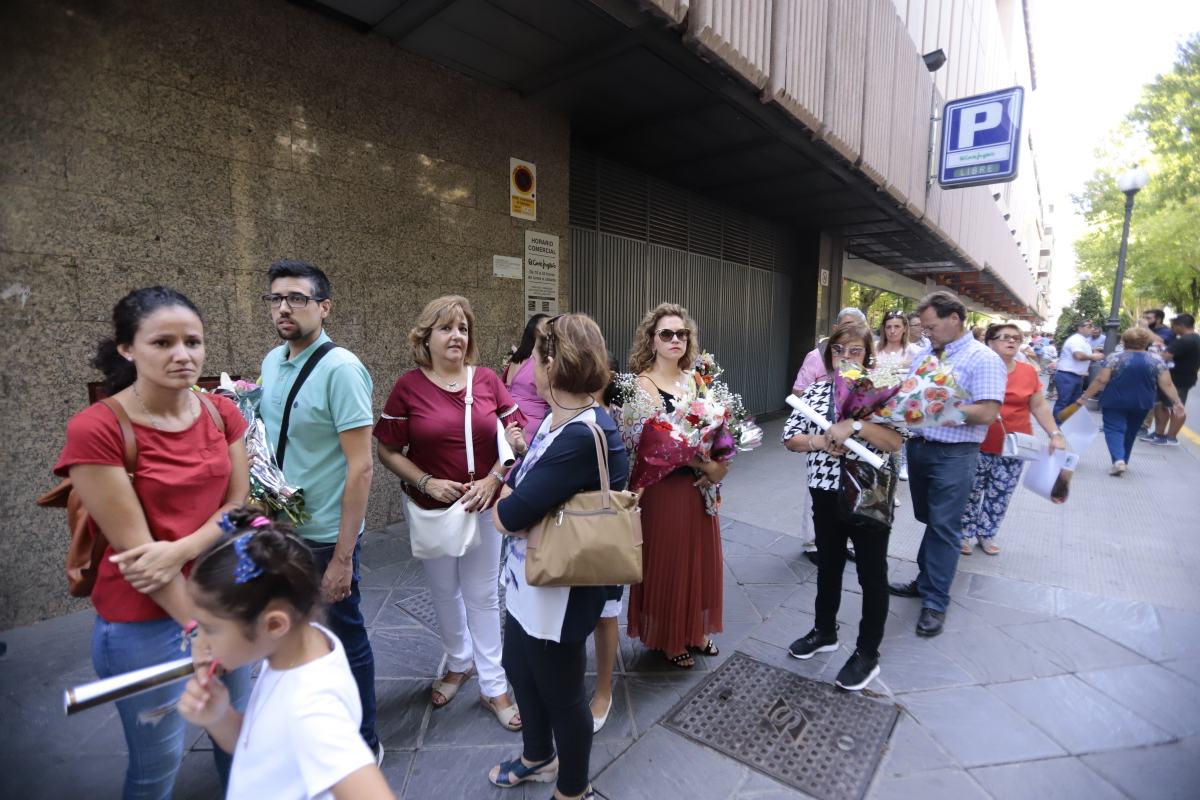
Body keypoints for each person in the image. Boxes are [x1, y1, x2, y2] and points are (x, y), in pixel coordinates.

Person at [55, 286, 251, 799]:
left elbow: (240, 506)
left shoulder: (220, 413)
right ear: (127, 348)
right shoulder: (97, 428)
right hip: (144, 619)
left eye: (193, 341)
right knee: (156, 766)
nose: (182, 355)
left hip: (222, 598)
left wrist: (183, 549)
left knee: (239, 736)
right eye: (162, 343)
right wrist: (196, 630)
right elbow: (142, 557)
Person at [486, 313, 628, 800]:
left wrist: (504, 501)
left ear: (552, 363)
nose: (527, 365)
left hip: (562, 589)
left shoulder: (581, 435)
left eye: (535, 356)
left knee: (565, 697)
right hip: (533, 577)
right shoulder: (557, 416)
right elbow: (521, 480)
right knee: (519, 665)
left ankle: (573, 788)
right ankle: (537, 756)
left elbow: (511, 514)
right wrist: (511, 491)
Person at [374, 295, 524, 730]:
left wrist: (495, 477)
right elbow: (386, 449)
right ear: (426, 337)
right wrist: (425, 481)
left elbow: (515, 436)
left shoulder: (489, 381)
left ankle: (494, 684)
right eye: (446, 328)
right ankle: (459, 663)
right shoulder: (408, 387)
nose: (456, 335)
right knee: (444, 591)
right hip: (431, 510)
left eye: (462, 328)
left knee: (481, 595)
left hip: (482, 503)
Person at [178, 508, 394, 800]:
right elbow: (263, 749)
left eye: (210, 630)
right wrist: (219, 717)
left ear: (275, 624)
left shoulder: (311, 709)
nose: (199, 643)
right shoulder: (296, 652)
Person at [256, 260, 381, 761]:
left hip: (326, 535)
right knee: (291, 634)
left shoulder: (342, 369)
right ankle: (309, 728)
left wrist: (343, 558)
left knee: (345, 639)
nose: (284, 307)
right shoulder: (270, 362)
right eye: (276, 299)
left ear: (324, 307)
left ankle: (364, 743)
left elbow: (362, 469)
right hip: (279, 526)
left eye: (298, 298)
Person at [782, 322, 904, 691]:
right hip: (824, 490)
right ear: (829, 354)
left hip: (868, 494)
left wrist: (853, 427)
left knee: (871, 574)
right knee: (829, 566)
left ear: (868, 354)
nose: (846, 357)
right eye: (839, 350)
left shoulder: (880, 391)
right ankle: (824, 631)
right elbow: (790, 439)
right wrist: (820, 441)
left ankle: (867, 653)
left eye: (854, 351)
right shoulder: (817, 390)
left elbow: (895, 441)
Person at [888, 290, 1005, 637]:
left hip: (955, 455)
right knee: (929, 520)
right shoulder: (925, 353)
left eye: (931, 326)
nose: (926, 333)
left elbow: (987, 411)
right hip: (920, 448)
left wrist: (936, 409)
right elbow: (910, 394)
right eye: (922, 327)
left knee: (944, 526)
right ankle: (925, 581)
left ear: (955, 318)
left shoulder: (982, 359)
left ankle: (935, 601)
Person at [626, 303, 726, 668]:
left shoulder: (696, 379)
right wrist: (705, 463)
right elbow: (652, 445)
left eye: (681, 333)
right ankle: (669, 636)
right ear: (651, 340)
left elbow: (718, 429)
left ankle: (696, 630)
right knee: (670, 562)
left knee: (700, 560)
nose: (675, 340)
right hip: (664, 488)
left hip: (699, 488)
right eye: (666, 333)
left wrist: (721, 464)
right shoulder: (642, 384)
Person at [960, 324, 1065, 555]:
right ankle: (964, 533)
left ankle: (986, 534)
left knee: (1001, 492)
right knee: (971, 489)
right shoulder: (977, 368)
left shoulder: (1027, 371)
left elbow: (1038, 405)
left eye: (1016, 338)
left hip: (1015, 446)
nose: (1012, 342)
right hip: (977, 441)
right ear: (990, 342)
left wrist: (1055, 434)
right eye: (1005, 337)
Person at [1076, 327, 1186, 475]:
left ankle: (1118, 460)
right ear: (1145, 342)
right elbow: (1166, 384)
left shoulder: (1114, 358)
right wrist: (1177, 403)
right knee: (1131, 432)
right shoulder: (1156, 360)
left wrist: (1084, 397)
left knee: (1114, 429)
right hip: (1142, 402)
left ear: (1124, 341)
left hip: (1114, 400)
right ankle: (1123, 461)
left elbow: (1101, 380)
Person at [591, 353, 623, 733]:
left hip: (611, 517)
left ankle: (604, 688)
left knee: (606, 610)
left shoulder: (617, 412)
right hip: (575, 526)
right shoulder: (566, 413)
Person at [875, 310, 922, 482]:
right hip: (876, 408)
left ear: (904, 328)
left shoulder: (915, 351)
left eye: (896, 326)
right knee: (876, 453)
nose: (892, 331)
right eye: (888, 327)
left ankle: (890, 492)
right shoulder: (874, 348)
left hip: (902, 411)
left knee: (895, 453)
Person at [792, 307, 869, 394]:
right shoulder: (816, 356)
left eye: (858, 328)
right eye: (847, 326)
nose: (851, 331)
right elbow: (797, 392)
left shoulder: (871, 358)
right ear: (835, 329)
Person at [1147, 313, 1197, 446]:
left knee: (1170, 406)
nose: (1171, 328)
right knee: (1171, 405)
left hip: (1174, 379)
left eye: (1173, 326)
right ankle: (1164, 435)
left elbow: (1164, 357)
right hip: (1187, 377)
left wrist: (1156, 352)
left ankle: (1166, 436)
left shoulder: (1183, 341)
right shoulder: (1196, 339)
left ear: (1180, 326)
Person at [502, 313, 552, 439]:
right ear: (536, 333)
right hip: (533, 428)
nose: (551, 334)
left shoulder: (516, 358)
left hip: (509, 423)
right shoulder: (540, 362)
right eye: (548, 330)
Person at [1053, 319, 1104, 420]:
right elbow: (1078, 355)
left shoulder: (1083, 340)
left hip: (1076, 376)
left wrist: (1094, 353)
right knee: (1064, 402)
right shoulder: (1075, 340)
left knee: (1073, 403)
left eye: (1092, 326)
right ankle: (1057, 426)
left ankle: (1065, 425)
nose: (1092, 328)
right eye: (1089, 326)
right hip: (1067, 375)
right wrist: (1093, 356)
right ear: (1080, 328)